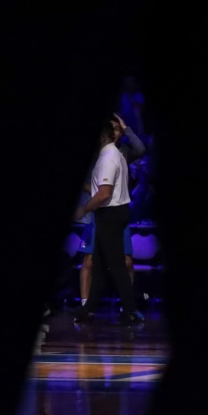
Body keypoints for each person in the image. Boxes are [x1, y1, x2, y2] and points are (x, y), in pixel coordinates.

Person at [73, 120, 142, 325]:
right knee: (101, 264)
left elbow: (104, 194)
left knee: (116, 266)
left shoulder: (108, 158)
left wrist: (84, 209)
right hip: (113, 214)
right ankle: (88, 309)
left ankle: (130, 311)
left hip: (109, 214)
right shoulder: (113, 155)